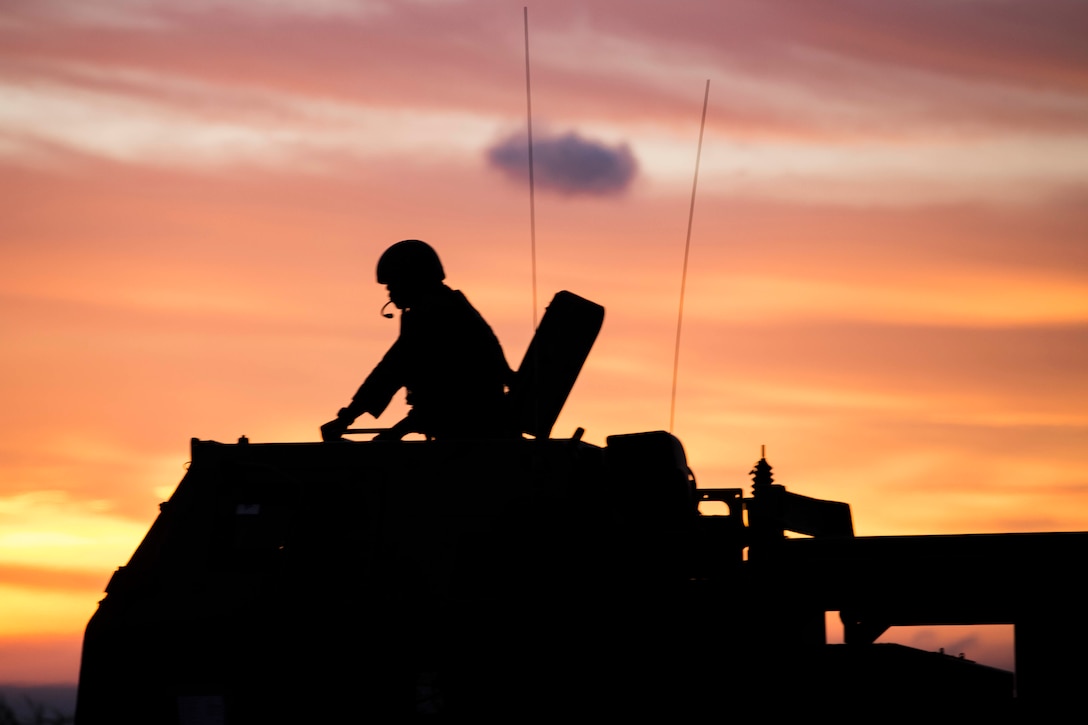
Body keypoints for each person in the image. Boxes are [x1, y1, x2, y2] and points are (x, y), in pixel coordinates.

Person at [321, 240, 514, 441]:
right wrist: (349, 418)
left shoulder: (438, 316)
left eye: (393, 284)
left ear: (413, 280)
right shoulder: (445, 308)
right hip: (460, 424)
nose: (390, 292)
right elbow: (391, 373)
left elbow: (396, 373)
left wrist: (349, 419)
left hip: (471, 428)